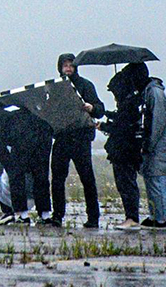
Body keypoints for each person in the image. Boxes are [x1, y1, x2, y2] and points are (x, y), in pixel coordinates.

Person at [46, 53, 105, 229]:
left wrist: (91, 107)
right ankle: (57, 216)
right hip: (62, 138)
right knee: (57, 178)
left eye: (71, 65)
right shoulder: (55, 88)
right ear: (60, 68)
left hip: (81, 138)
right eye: (65, 65)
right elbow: (48, 111)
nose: (68, 68)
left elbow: (100, 110)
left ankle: (93, 218)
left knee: (87, 179)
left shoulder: (86, 86)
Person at [0, 100, 53, 225]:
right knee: (41, 176)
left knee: (17, 177)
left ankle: (22, 215)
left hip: (22, 138)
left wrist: (10, 167)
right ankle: (45, 215)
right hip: (44, 133)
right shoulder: (19, 109)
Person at [100, 64, 146, 231]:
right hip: (128, 150)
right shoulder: (133, 102)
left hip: (124, 151)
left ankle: (132, 218)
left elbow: (121, 127)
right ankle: (131, 217)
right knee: (126, 184)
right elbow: (121, 120)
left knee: (126, 184)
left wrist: (104, 126)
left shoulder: (129, 105)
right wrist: (109, 116)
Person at [138, 63, 166, 228]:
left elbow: (158, 122)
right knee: (152, 179)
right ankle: (156, 215)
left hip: (159, 147)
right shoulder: (150, 92)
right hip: (157, 145)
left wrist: (149, 144)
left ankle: (160, 219)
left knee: (158, 179)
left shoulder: (154, 93)